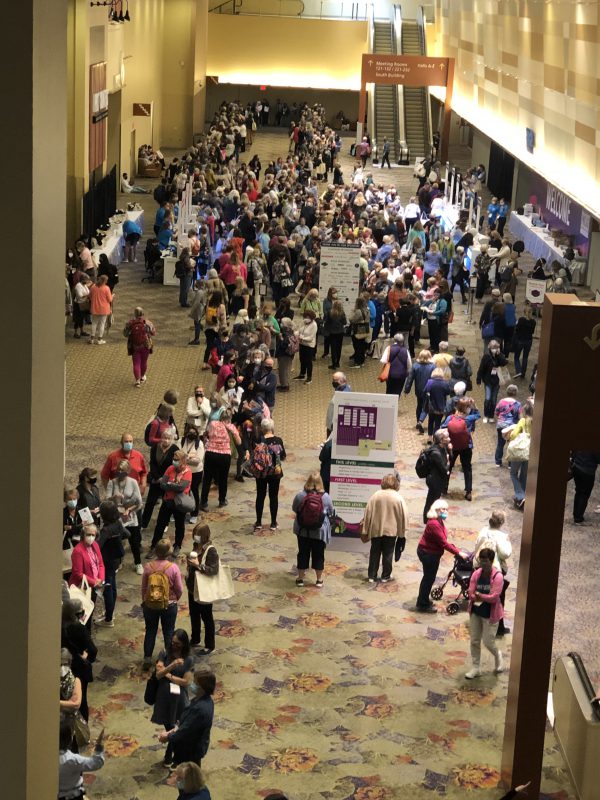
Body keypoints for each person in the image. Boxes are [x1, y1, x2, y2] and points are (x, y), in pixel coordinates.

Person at [151, 629, 194, 767]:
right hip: (164, 697)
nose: (174, 645)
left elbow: (186, 682)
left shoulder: (189, 659)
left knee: (177, 727)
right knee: (169, 726)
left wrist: (168, 676)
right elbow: (158, 675)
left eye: (178, 643)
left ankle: (170, 755)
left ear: (184, 644)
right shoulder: (164, 652)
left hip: (179, 698)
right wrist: (172, 665)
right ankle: (171, 755)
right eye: (173, 642)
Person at [415, 499, 465, 613]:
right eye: (443, 509)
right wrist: (458, 552)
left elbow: (443, 541)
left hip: (432, 553)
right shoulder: (434, 524)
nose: (445, 511)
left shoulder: (438, 521)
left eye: (446, 509)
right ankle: (422, 604)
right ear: (436, 509)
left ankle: (424, 600)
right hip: (428, 554)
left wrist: (456, 549)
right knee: (428, 578)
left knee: (429, 578)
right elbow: (443, 543)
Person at [159, 669, 216, 767]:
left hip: (189, 750)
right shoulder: (203, 700)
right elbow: (187, 722)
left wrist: (168, 737)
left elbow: (186, 731)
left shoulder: (200, 709)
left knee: (187, 775)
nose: (192, 684)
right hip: (193, 746)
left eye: (195, 683)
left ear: (202, 687)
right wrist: (174, 729)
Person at [141, 539, 184, 668]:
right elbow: (179, 589)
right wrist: (175, 599)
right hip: (169, 605)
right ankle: (168, 658)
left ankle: (147, 657)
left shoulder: (148, 567)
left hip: (150, 605)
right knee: (169, 631)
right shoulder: (173, 568)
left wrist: (145, 601)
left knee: (150, 630)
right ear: (169, 552)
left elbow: (144, 587)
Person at [465, 547, 505, 678]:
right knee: (474, 640)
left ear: (491, 561)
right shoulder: (476, 573)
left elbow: (494, 597)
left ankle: (498, 655)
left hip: (490, 614)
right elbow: (470, 591)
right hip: (476, 611)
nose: (483, 563)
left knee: (488, 642)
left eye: (485, 561)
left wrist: (480, 596)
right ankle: (476, 668)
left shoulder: (498, 577)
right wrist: (474, 595)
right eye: (481, 560)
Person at [361, 474, 408, 583]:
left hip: (376, 529)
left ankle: (372, 575)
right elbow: (404, 517)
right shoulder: (398, 497)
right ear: (396, 484)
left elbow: (367, 513)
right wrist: (402, 533)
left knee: (374, 552)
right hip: (391, 531)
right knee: (388, 553)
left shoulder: (375, 496)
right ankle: (385, 576)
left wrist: (365, 529)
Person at [292, 472, 334, 588]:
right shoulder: (325, 497)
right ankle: (319, 580)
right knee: (319, 554)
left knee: (303, 553)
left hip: (302, 530)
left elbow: (295, 508)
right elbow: (331, 512)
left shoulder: (301, 495)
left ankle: (300, 579)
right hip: (319, 531)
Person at [474, 510, 512, 636]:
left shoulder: (483, 531)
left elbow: (476, 546)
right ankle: (498, 628)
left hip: (479, 568)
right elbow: (505, 554)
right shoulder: (501, 536)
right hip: (494, 571)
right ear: (501, 523)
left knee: (481, 594)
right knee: (497, 598)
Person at [150, 450, 193, 557]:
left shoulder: (187, 472)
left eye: (177, 459)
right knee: (160, 524)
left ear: (183, 460)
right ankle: (154, 546)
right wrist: (173, 484)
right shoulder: (170, 469)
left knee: (179, 525)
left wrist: (169, 484)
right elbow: (162, 485)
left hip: (179, 504)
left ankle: (177, 546)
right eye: (174, 459)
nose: (174, 461)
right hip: (167, 501)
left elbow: (181, 488)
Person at [61, 599, 97, 721]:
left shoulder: (58, 628)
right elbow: (93, 650)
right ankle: (82, 729)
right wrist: (87, 657)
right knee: (81, 700)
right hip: (79, 668)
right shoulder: (80, 629)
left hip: (62, 668)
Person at [105, 458, 143, 572]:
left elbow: (139, 503)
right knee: (117, 541)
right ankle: (118, 562)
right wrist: (114, 496)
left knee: (134, 541)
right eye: (119, 470)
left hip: (130, 515)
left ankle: (138, 563)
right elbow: (106, 500)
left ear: (128, 471)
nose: (120, 473)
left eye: (123, 471)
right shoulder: (112, 482)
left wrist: (129, 510)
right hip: (117, 516)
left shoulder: (133, 482)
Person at [186, 524, 219, 655]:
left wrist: (199, 566)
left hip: (204, 589)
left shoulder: (211, 550)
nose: (195, 537)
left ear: (205, 536)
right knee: (194, 615)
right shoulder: (195, 546)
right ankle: (195, 638)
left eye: (197, 535)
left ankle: (209, 645)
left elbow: (213, 570)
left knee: (206, 617)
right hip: (192, 587)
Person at [199, 411, 241, 511]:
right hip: (224, 455)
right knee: (223, 478)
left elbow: (206, 435)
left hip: (211, 453)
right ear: (229, 418)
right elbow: (239, 442)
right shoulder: (231, 426)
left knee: (207, 479)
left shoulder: (212, 424)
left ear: (220, 417)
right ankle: (222, 500)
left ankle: (203, 503)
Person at [96, 500, 129, 626]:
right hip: (116, 560)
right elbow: (127, 534)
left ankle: (108, 618)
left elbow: (98, 546)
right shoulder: (118, 523)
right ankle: (110, 613)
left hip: (107, 561)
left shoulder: (106, 530)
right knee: (113, 586)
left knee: (108, 588)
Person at [252, 418, 286, 532]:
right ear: (272, 428)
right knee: (273, 497)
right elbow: (283, 456)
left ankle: (258, 522)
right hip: (275, 473)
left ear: (262, 429)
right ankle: (273, 523)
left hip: (261, 472)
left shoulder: (258, 440)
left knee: (260, 496)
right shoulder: (278, 440)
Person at [59, 721, 105, 800]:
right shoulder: (72, 760)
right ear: (70, 740)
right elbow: (96, 763)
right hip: (73, 795)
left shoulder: (45, 758)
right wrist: (99, 748)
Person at [506, 399, 533, 509]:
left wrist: (511, 434)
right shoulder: (536, 421)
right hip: (529, 451)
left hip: (519, 451)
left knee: (513, 473)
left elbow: (513, 435)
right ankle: (520, 498)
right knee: (524, 475)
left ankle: (521, 496)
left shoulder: (523, 421)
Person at [421, 428, 451, 523]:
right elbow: (444, 469)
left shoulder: (443, 447)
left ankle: (431, 518)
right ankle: (427, 520)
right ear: (441, 440)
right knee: (431, 501)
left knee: (434, 499)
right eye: (447, 437)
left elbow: (448, 460)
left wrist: (450, 451)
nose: (449, 438)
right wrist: (448, 463)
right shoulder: (436, 453)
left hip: (438, 479)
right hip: (434, 480)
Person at [123, 306, 156, 387]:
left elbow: (125, 334)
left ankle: (137, 380)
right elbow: (153, 332)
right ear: (143, 314)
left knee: (136, 363)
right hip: (145, 345)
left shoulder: (130, 323)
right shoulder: (147, 323)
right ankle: (142, 377)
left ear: (134, 314)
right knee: (144, 362)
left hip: (135, 346)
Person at [476, 339, 508, 422]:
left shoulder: (499, 356)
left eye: (496, 348)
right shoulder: (486, 356)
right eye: (493, 348)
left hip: (496, 381)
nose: (494, 349)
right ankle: (486, 415)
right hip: (488, 381)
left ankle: (491, 415)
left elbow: (504, 363)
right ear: (490, 348)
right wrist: (478, 380)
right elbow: (481, 369)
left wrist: (499, 354)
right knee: (487, 399)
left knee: (494, 400)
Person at [405, 349, 435, 433]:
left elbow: (410, 379)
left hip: (419, 390)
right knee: (428, 407)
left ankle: (418, 421)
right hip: (430, 389)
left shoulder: (415, 366)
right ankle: (429, 424)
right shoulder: (433, 366)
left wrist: (407, 389)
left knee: (419, 405)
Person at [180, 426, 205, 525]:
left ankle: (194, 514)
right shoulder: (181, 441)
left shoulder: (199, 444)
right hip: (183, 472)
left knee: (194, 491)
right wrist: (190, 457)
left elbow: (197, 461)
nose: (191, 434)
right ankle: (181, 510)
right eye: (190, 432)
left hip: (196, 472)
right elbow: (177, 455)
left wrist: (184, 457)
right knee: (182, 491)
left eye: (194, 433)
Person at [494, 385, 521, 467]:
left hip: (501, 425)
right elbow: (519, 416)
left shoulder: (501, 401)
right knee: (510, 444)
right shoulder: (517, 404)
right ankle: (510, 464)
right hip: (511, 427)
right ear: (515, 393)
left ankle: (498, 462)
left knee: (500, 443)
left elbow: (496, 412)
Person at [571, 451, 600, 525]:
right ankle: (578, 519)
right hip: (587, 471)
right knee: (584, 495)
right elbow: (598, 458)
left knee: (579, 492)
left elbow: (573, 451)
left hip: (576, 466)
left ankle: (576, 515)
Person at [512, 305, 536, 378]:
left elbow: (517, 329)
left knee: (516, 357)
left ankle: (519, 371)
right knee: (525, 357)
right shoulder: (533, 322)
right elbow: (532, 332)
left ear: (524, 312)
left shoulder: (521, 320)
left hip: (520, 340)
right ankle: (523, 373)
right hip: (528, 341)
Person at [88, 274, 113, 345]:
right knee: (102, 324)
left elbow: (89, 296)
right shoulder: (106, 288)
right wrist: (112, 296)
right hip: (104, 309)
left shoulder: (93, 287)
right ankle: (99, 339)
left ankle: (92, 339)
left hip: (94, 308)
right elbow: (110, 299)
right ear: (105, 281)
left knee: (94, 323)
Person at [295, 308, 318, 384]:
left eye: (308, 317)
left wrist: (302, 338)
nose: (306, 319)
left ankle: (309, 377)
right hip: (302, 344)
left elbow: (311, 337)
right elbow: (299, 329)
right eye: (305, 317)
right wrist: (297, 333)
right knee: (302, 360)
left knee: (308, 362)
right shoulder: (303, 322)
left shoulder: (314, 325)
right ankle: (302, 374)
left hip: (309, 346)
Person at [325, 371, 351, 437]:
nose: (333, 382)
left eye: (334, 380)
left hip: (335, 426)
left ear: (341, 380)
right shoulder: (339, 390)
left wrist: (334, 425)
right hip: (331, 424)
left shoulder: (344, 394)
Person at [349, 297, 370, 367]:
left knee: (357, 346)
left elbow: (352, 320)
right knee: (362, 346)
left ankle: (358, 362)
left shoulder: (358, 311)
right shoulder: (367, 310)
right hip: (364, 330)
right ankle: (362, 361)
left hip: (357, 331)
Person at [325, 300, 346, 370]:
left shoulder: (330, 312)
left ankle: (333, 364)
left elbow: (327, 322)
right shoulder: (342, 313)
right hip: (340, 332)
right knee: (339, 348)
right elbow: (345, 322)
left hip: (332, 332)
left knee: (333, 348)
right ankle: (337, 363)